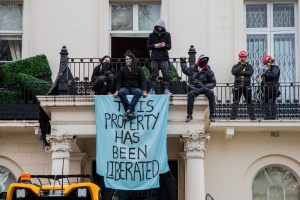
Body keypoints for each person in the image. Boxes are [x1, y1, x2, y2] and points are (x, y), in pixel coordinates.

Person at [180, 54, 216, 122]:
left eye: (205, 60)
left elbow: (213, 83)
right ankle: (189, 115)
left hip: (204, 88)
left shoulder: (209, 71)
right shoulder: (192, 68)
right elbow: (185, 70)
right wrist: (183, 61)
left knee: (211, 93)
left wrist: (205, 86)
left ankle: (212, 115)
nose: (204, 61)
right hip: (194, 88)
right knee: (190, 94)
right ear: (199, 60)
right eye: (202, 60)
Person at [113, 51, 148, 122]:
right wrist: (117, 91)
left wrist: (144, 91)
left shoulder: (139, 69)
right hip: (125, 87)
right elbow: (119, 81)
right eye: (126, 59)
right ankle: (130, 111)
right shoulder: (122, 69)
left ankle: (127, 111)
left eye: (129, 58)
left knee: (139, 92)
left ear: (132, 59)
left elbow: (142, 80)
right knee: (121, 92)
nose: (127, 60)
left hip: (136, 88)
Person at [146, 19, 172, 94]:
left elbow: (169, 46)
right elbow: (147, 46)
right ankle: (152, 89)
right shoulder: (151, 35)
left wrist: (164, 45)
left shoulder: (167, 34)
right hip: (154, 57)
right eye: (158, 27)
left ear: (163, 27)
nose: (159, 28)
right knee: (154, 74)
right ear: (156, 26)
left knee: (166, 74)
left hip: (164, 57)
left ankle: (166, 89)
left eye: (161, 27)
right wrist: (155, 45)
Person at [230, 50, 255, 120]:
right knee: (235, 102)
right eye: (241, 57)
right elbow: (233, 72)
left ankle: (252, 117)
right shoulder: (235, 66)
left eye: (243, 57)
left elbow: (250, 73)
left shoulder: (249, 66)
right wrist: (241, 67)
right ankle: (233, 117)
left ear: (246, 57)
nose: (242, 58)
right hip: (237, 86)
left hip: (247, 86)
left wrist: (240, 72)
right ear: (239, 58)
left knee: (249, 101)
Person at [261, 55, 280, 119]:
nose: (266, 65)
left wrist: (264, 74)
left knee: (272, 103)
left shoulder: (275, 68)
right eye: (265, 63)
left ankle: (273, 116)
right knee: (265, 102)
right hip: (266, 89)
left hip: (273, 88)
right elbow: (264, 80)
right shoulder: (267, 70)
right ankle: (267, 116)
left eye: (267, 63)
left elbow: (273, 75)